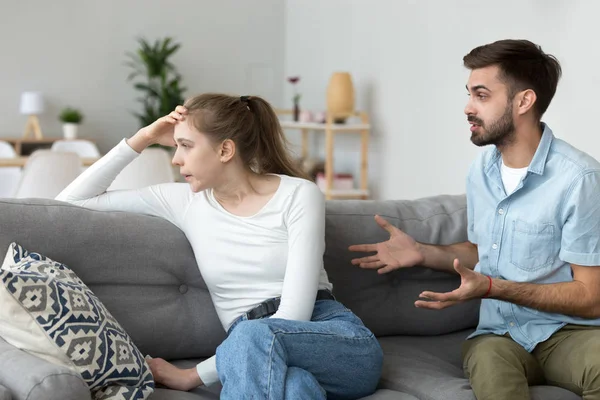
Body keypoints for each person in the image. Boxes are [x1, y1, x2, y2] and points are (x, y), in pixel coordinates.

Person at [56, 93, 383, 399]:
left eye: (185, 145)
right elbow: (68, 203)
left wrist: (191, 376)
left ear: (225, 150)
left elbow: (294, 315)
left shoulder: (299, 194)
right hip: (253, 353)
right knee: (296, 387)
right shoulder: (184, 202)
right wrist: (142, 138)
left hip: (335, 340)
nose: (175, 158)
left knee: (252, 337)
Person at [349, 39, 600, 400]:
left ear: (524, 101)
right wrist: (421, 251)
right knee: (493, 375)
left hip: (569, 333)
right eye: (469, 94)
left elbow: (591, 297)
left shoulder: (580, 179)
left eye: (481, 95)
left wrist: (492, 288)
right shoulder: (482, 171)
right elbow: (484, 251)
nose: (468, 108)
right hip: (497, 337)